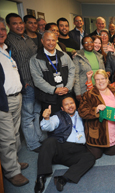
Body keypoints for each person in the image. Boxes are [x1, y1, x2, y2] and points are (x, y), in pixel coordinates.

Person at [34, 96, 95, 193]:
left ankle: (63, 178)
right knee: (49, 141)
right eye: (66, 104)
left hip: (77, 150)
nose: (70, 106)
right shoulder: (58, 116)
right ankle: (41, 177)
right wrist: (46, 118)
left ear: (75, 104)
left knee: (90, 157)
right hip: (61, 148)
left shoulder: (82, 114)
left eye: (71, 103)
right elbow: (48, 126)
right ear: (62, 108)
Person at [5, 13, 46, 152]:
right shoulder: (8, 41)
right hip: (26, 84)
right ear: (9, 26)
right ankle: (33, 144)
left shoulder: (29, 39)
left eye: (20, 23)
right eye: (15, 23)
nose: (19, 26)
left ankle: (39, 138)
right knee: (27, 115)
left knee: (36, 111)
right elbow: (11, 65)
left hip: (37, 82)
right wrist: (22, 82)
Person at [0, 17, 29, 187]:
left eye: (3, 29)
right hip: (3, 102)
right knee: (7, 137)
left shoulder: (6, 49)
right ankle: (12, 172)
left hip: (16, 97)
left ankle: (13, 163)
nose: (1, 32)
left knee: (16, 134)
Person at [78, 70, 115, 159]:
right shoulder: (88, 94)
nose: (100, 81)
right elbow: (82, 112)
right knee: (95, 156)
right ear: (94, 81)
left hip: (114, 131)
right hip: (97, 135)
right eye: (97, 79)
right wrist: (95, 110)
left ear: (107, 79)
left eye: (103, 78)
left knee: (113, 153)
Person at [30, 31, 75, 115]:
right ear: (42, 41)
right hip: (49, 98)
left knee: (68, 121)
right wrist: (54, 90)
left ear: (56, 41)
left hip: (66, 95)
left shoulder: (64, 55)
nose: (51, 43)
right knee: (52, 123)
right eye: (48, 40)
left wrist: (68, 87)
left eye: (53, 40)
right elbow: (37, 80)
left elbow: (72, 70)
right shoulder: (36, 59)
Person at [73, 36, 105, 101]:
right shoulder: (78, 57)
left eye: (91, 42)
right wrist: (77, 93)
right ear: (82, 45)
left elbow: (103, 73)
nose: (89, 44)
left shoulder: (99, 56)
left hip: (99, 89)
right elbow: (75, 76)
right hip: (84, 91)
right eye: (86, 42)